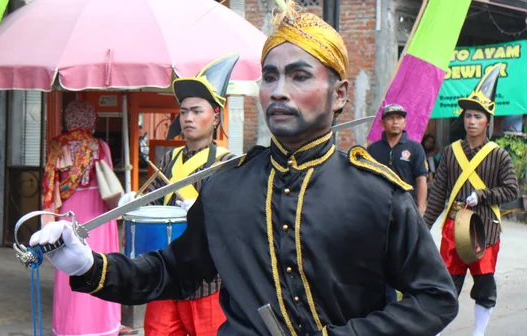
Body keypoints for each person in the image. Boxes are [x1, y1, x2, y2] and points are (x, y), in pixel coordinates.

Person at [29, 2, 459, 335]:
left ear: (340, 93)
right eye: (269, 77)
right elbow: (172, 272)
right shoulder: (225, 190)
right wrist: (88, 265)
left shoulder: (378, 196)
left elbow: (436, 298)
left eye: (299, 76)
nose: (278, 91)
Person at [117, 55, 239, 335]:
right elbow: (155, 204)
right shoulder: (169, 159)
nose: (188, 118)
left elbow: (236, 223)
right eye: (184, 112)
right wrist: (134, 205)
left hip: (207, 282)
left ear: (215, 116)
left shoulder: (229, 163)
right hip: (166, 273)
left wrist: (204, 210)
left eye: (197, 111)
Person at [423, 64, 519, 336]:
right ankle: (438, 331)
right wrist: (424, 224)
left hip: (484, 229)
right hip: (453, 228)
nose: (471, 121)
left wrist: (484, 195)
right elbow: (439, 192)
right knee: (446, 284)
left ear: (488, 120)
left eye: (477, 116)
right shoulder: (451, 152)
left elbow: (512, 190)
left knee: (484, 285)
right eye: (468, 115)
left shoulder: (499, 155)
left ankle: (478, 333)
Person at [41, 100, 136, 335]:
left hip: (67, 213)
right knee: (99, 263)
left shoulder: (56, 146)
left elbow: (49, 184)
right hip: (97, 211)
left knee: (67, 265)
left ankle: (67, 326)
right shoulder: (99, 146)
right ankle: (103, 325)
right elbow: (109, 184)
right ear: (90, 119)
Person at [367, 103, 428, 215]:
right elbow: (366, 180)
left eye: (399, 118)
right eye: (390, 118)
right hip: (379, 208)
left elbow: (421, 179)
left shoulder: (415, 148)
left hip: (407, 208)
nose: (395, 122)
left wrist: (421, 209)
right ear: (382, 123)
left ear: (404, 123)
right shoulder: (372, 150)